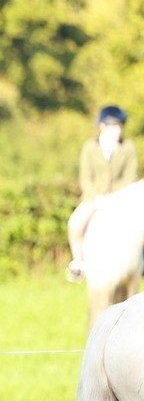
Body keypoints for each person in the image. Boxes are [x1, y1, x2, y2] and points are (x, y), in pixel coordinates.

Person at [67, 105, 139, 281]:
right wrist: (98, 197)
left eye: (120, 126)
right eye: (113, 126)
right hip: (94, 198)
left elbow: (130, 177)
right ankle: (78, 262)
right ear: (102, 126)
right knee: (75, 223)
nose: (117, 131)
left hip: (121, 197)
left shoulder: (128, 147)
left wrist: (113, 196)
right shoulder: (90, 148)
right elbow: (85, 178)